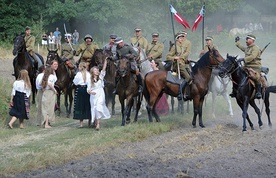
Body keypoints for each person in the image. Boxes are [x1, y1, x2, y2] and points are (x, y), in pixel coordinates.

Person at [231, 34, 262, 99]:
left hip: (255, 67)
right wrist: (237, 42)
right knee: (236, 73)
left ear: (252, 40)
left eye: (247, 39)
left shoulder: (255, 48)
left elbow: (253, 56)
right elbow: (242, 47)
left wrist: (243, 59)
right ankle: (234, 91)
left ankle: (258, 92)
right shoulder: (248, 48)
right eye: (246, 39)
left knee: (256, 77)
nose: (246, 41)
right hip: (246, 66)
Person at [166, 31, 192, 100]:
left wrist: (187, 60)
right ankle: (180, 93)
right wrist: (174, 58)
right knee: (188, 77)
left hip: (182, 64)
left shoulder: (181, 47)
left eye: (182, 38)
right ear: (177, 39)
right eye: (180, 38)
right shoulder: (175, 47)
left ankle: (187, 93)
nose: (182, 39)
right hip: (177, 65)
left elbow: (181, 57)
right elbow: (168, 56)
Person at [87, 58, 111, 130]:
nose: (97, 71)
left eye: (97, 70)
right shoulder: (90, 79)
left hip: (100, 93)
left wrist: (105, 61)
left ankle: (98, 124)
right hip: (93, 95)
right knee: (94, 108)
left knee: (99, 107)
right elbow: (88, 89)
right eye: (95, 70)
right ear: (92, 72)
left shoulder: (101, 77)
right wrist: (91, 92)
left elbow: (103, 69)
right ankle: (93, 121)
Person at [73, 62, 91, 128]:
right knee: (88, 105)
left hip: (80, 89)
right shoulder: (89, 74)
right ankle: (89, 122)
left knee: (80, 105)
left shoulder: (78, 74)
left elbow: (75, 82)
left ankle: (81, 123)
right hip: (87, 89)